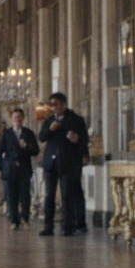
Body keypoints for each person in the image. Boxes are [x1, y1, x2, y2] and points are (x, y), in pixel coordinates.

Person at [37, 92, 90, 237]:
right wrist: (50, 130)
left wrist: (77, 139)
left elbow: (85, 139)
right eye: (54, 105)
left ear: (64, 105)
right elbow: (41, 137)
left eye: (59, 104)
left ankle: (67, 226)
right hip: (50, 163)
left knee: (67, 195)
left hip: (68, 162)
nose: (57, 107)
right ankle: (48, 226)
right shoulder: (48, 121)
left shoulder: (76, 120)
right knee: (49, 195)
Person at [0, 108, 39, 229]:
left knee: (25, 195)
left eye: (19, 117)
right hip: (10, 169)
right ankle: (14, 220)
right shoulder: (7, 134)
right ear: (12, 119)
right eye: (15, 117)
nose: (17, 120)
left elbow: (36, 150)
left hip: (24, 168)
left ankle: (25, 218)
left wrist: (27, 147)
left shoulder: (28, 133)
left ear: (23, 118)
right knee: (11, 196)